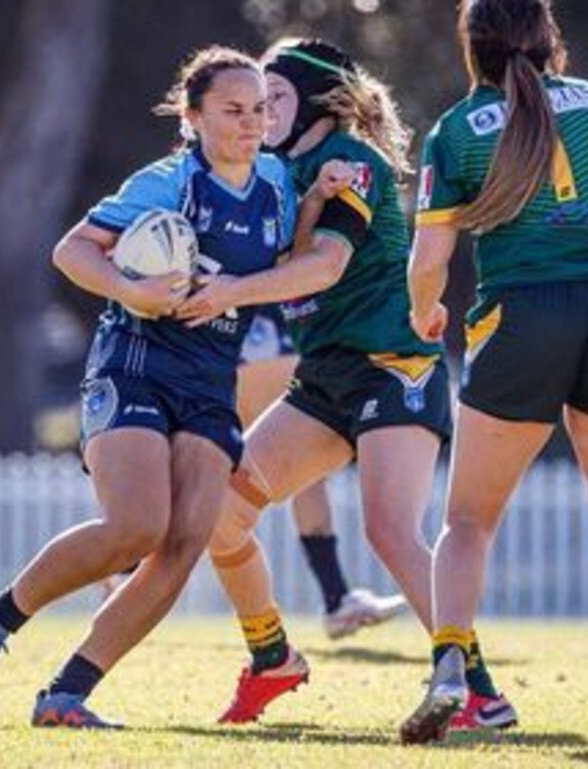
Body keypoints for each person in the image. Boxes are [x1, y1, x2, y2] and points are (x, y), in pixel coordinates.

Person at [0, 45, 302, 729]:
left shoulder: (279, 185)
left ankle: (67, 693)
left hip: (208, 376)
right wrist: (133, 292)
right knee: (137, 526)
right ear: (194, 116)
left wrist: (326, 191)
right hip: (136, 358)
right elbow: (72, 249)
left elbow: (299, 253)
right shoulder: (169, 182)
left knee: (185, 540)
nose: (251, 122)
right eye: (233, 110)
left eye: (260, 109)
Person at [176, 38, 515, 729]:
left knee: (390, 528)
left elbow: (323, 265)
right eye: (253, 100)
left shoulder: (350, 163)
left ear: (317, 101)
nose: (261, 112)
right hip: (325, 375)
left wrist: (231, 291)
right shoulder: (276, 172)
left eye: (275, 98)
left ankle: (478, 690)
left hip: (394, 364)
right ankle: (273, 658)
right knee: (221, 514)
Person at [400, 0, 588, 746]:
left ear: (471, 48)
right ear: (551, 41)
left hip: (521, 315)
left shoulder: (455, 129)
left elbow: (429, 262)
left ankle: (450, 668)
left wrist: (425, 315)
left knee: (468, 521)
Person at [237, 306, 407, 639]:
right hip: (264, 331)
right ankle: (335, 600)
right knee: (288, 473)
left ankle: (336, 598)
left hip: (236, 332)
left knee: (213, 468)